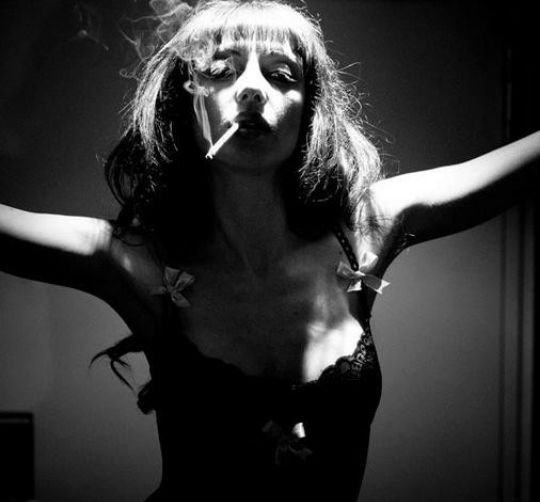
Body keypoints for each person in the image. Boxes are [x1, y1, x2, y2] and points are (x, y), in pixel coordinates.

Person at [0, 1, 538, 501]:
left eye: (281, 75)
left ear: (310, 110)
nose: (253, 90)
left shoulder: (365, 228)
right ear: (186, 104)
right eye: (221, 70)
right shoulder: (137, 261)